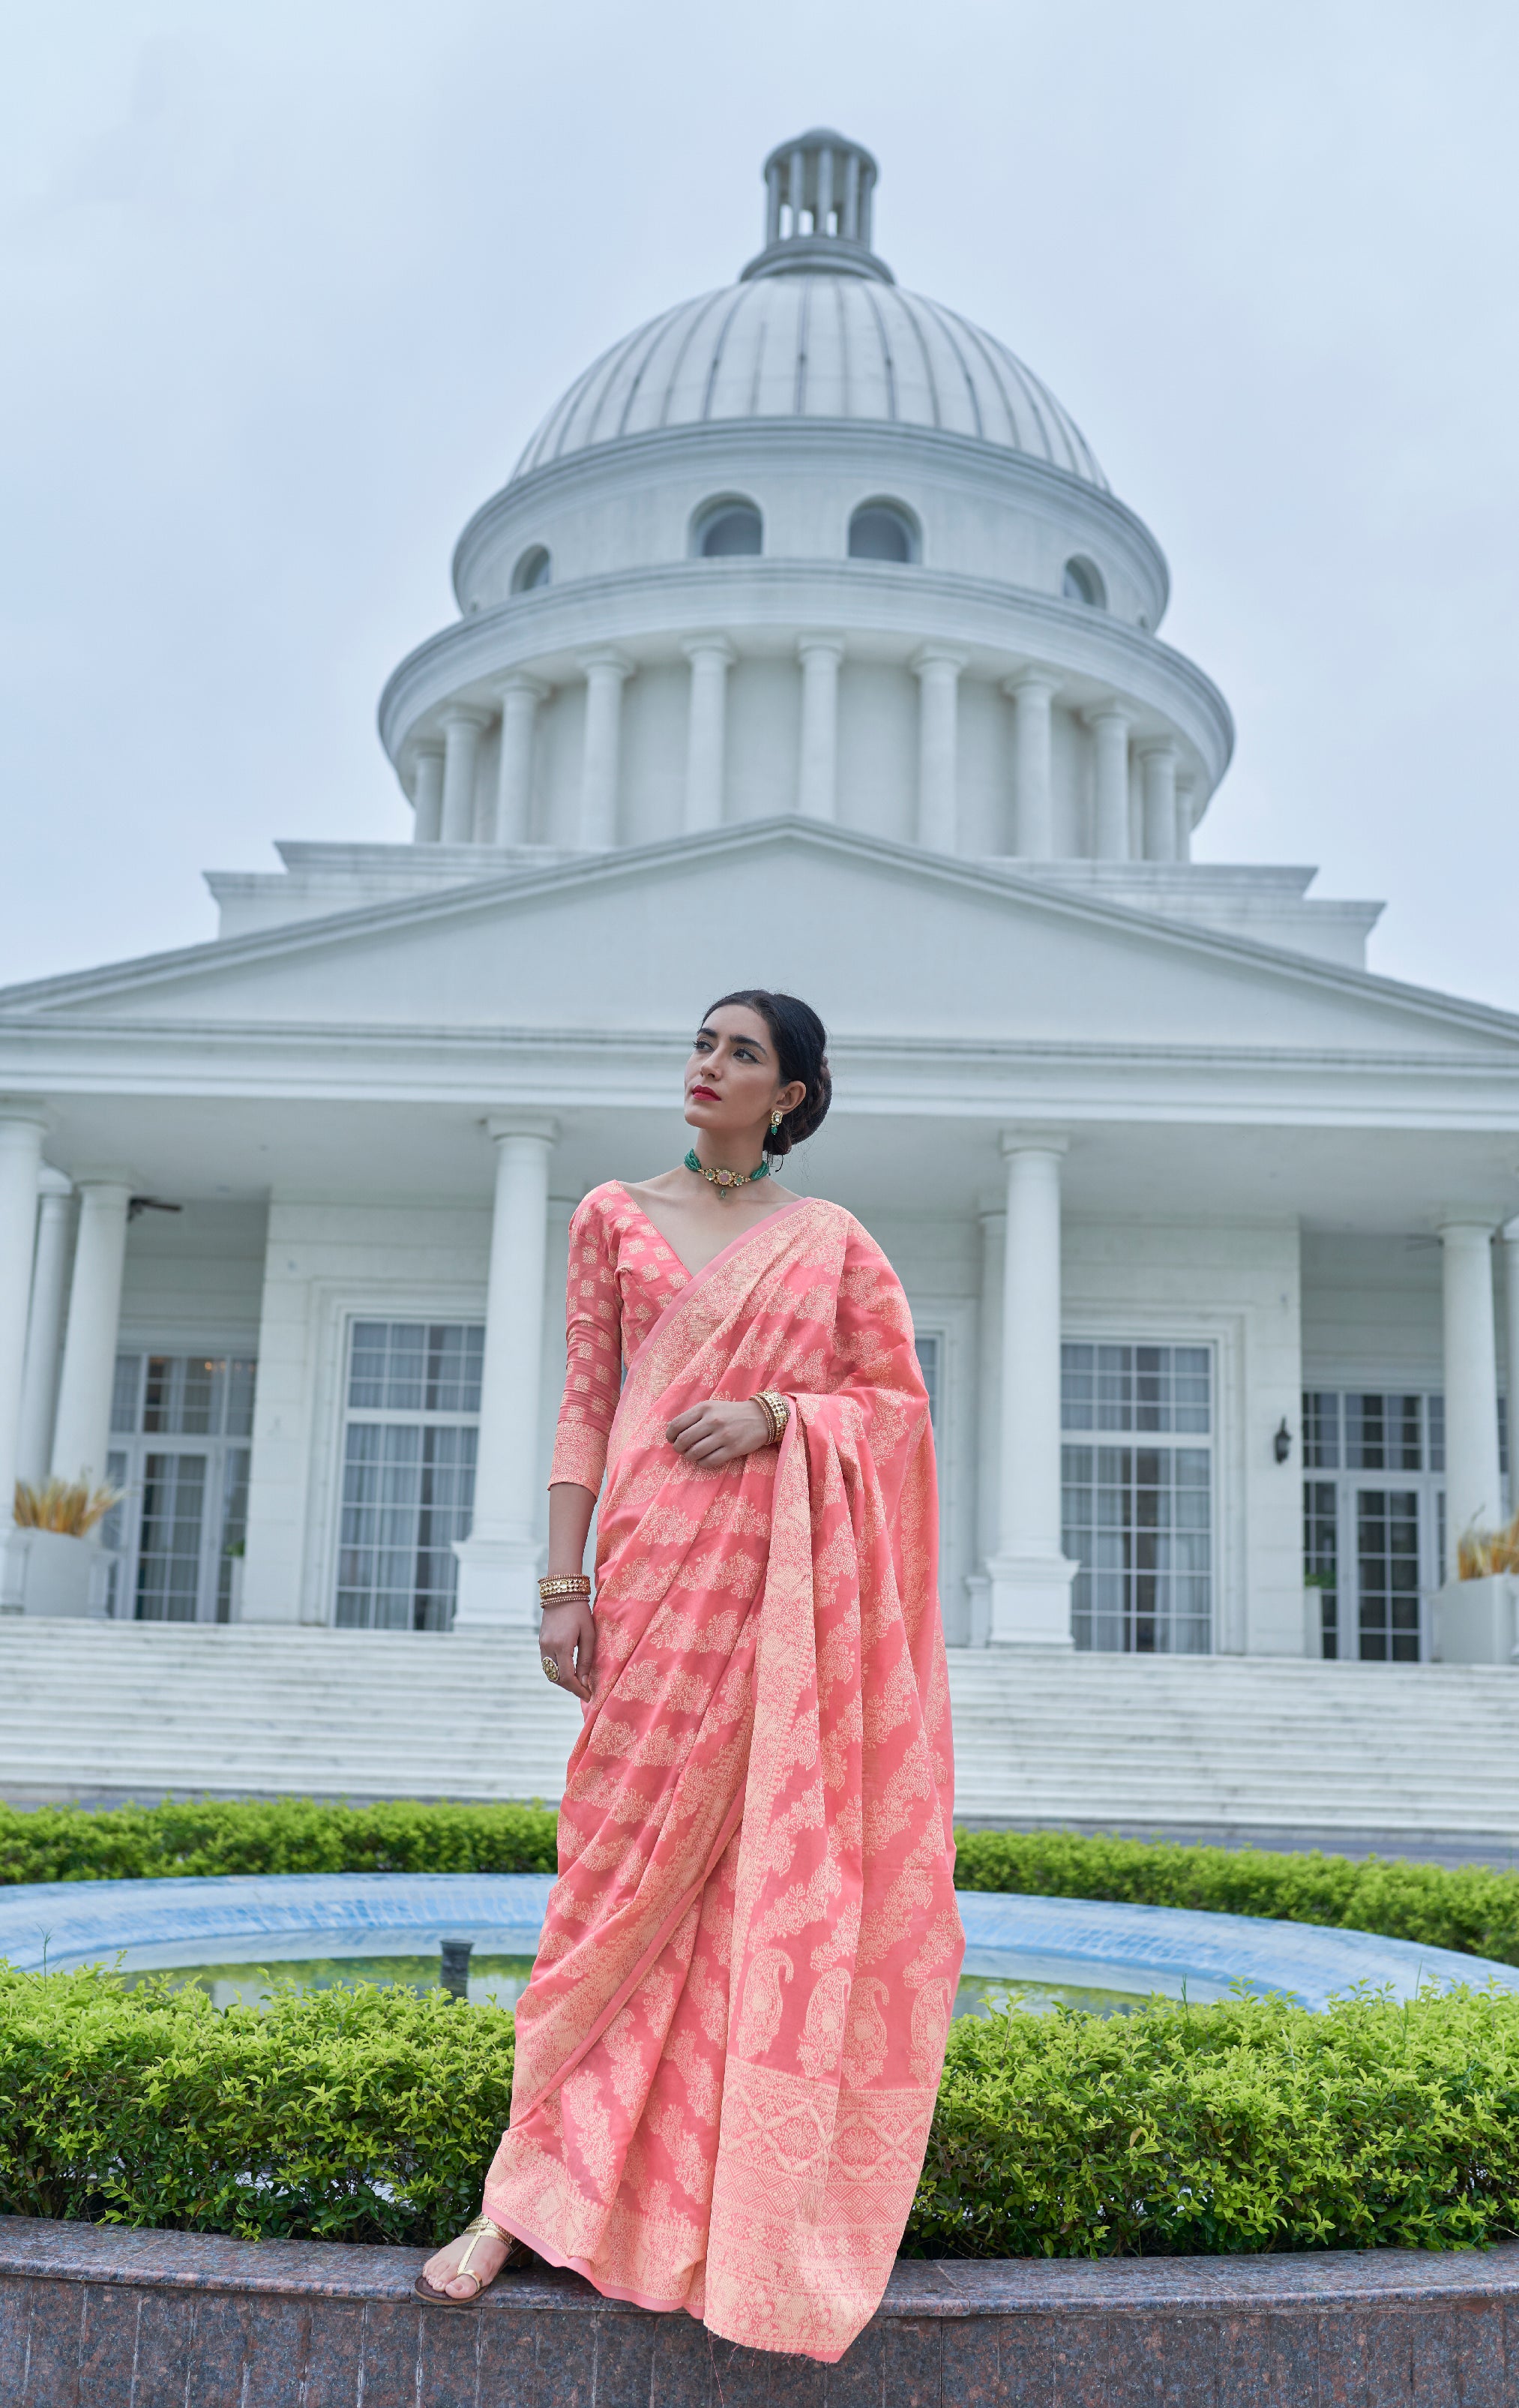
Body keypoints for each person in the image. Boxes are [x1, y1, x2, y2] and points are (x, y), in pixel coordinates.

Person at [417, 989, 963, 2364]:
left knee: (743, 1898)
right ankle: (517, 2194)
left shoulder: (829, 1245)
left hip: (776, 1602)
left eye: (739, 1053)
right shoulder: (612, 1213)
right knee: (605, 1883)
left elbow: (894, 1411)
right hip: (654, 1581)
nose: (705, 1067)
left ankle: (707, 2207)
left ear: (788, 1093)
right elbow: (585, 1402)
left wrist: (780, 1414)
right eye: (701, 1045)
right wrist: (560, 1583)